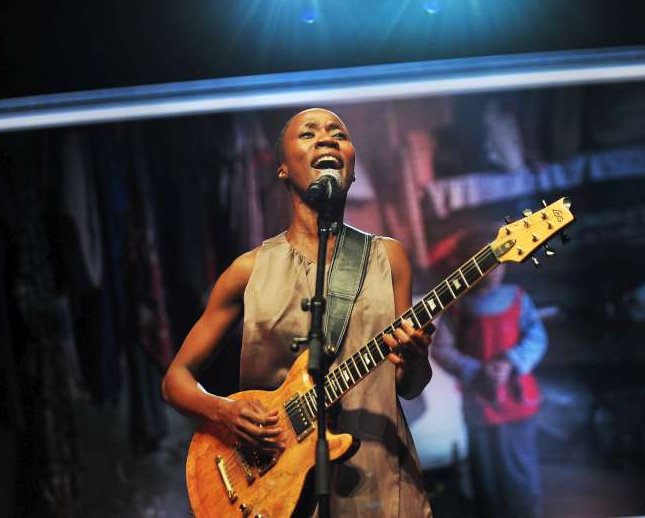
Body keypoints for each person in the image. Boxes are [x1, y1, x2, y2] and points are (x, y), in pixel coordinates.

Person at [161, 108, 435, 516]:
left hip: (382, 487)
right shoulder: (247, 271)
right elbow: (175, 381)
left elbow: (409, 385)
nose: (327, 138)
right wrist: (226, 410)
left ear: (354, 170)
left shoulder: (389, 258)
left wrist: (415, 358)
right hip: (276, 490)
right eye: (309, 134)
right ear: (283, 170)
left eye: (338, 133)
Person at [432, 262, 547, 518]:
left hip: (518, 401)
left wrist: (511, 361)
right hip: (479, 405)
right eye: (488, 265)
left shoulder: (517, 297)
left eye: (499, 265)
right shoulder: (459, 306)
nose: (493, 272)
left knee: (521, 474)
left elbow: (536, 336)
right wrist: (477, 370)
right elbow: (441, 349)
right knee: (486, 479)